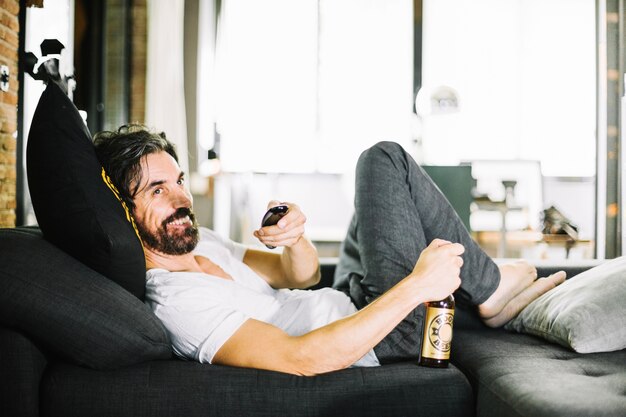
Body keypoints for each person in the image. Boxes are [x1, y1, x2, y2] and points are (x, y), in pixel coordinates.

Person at [93, 124, 566, 376]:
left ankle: (488, 284)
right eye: (156, 191)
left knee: (371, 204)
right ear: (120, 208)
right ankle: (489, 290)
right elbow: (302, 359)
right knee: (383, 160)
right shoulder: (177, 301)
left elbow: (299, 277)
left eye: (178, 181)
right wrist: (418, 285)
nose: (180, 199)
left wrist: (295, 238)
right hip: (379, 336)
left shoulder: (203, 243)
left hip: (346, 298)